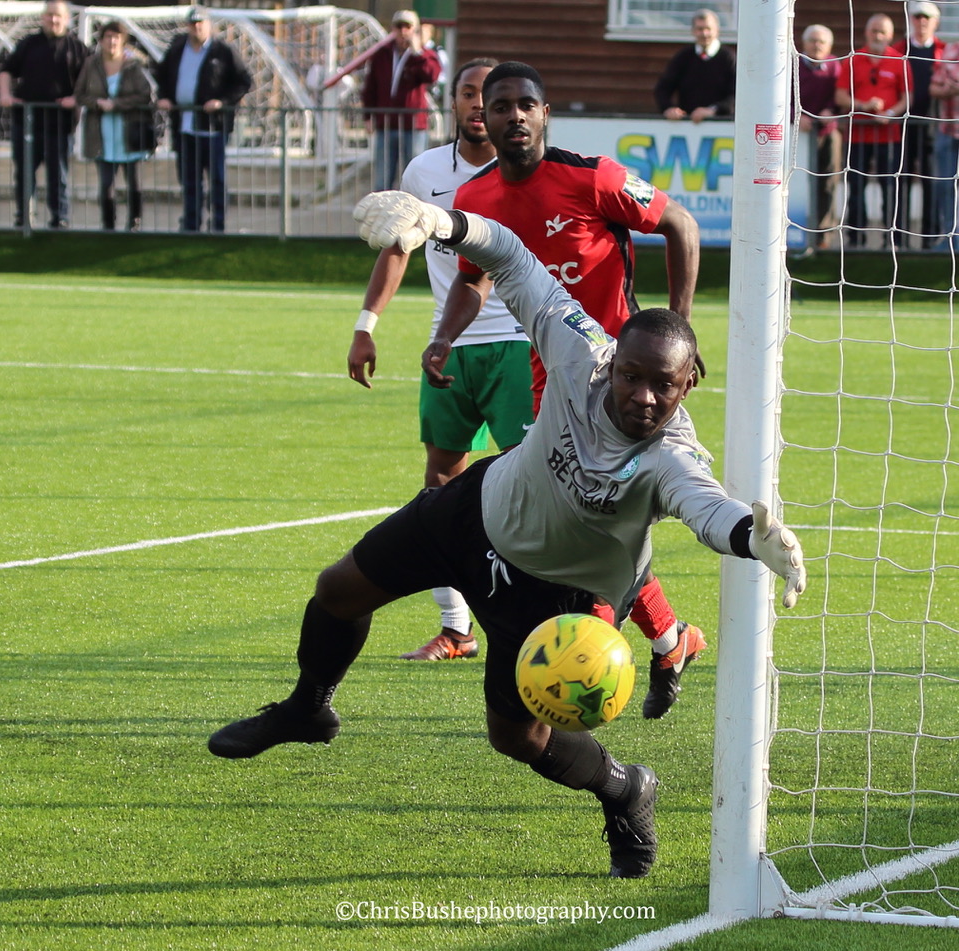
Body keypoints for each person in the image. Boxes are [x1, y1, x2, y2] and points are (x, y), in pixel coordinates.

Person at [208, 189, 807, 881]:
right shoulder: (579, 348)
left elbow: (708, 509)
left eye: (663, 387)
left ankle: (625, 789)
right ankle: (307, 709)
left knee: (517, 737)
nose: (644, 397)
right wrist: (441, 221)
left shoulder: (671, 456)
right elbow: (514, 259)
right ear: (613, 360)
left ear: (687, 386)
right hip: (473, 513)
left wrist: (754, 538)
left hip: (550, 594)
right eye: (632, 376)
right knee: (338, 590)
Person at [417, 62, 704, 719]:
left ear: (545, 114)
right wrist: (443, 337)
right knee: (578, 517)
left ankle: (609, 650)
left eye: (527, 104)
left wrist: (678, 338)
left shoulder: (592, 177)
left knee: (592, 518)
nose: (514, 115)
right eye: (501, 106)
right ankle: (668, 641)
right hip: (550, 381)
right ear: (482, 119)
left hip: (626, 384)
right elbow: (472, 279)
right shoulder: (478, 198)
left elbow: (681, 225)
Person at [349, 57, 527, 663]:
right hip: (448, 349)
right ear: (452, 103)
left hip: (519, 344)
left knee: (533, 486)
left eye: (488, 95)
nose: (478, 105)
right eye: (468, 93)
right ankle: (457, 629)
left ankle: (534, 622)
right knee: (441, 485)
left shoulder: (524, 170)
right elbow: (397, 248)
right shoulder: (424, 171)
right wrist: (366, 326)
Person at [154, 6, 253, 233]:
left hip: (212, 127)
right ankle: (191, 224)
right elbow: (161, 74)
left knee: (216, 179)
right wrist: (164, 97)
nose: (196, 27)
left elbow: (243, 81)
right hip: (184, 126)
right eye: (192, 23)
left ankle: (217, 224)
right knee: (189, 179)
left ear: (208, 24)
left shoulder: (223, 51)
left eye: (200, 23)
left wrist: (222, 102)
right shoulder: (177, 49)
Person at [0, 0, 90, 229]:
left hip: (60, 124)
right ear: (43, 17)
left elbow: (91, 81)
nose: (53, 20)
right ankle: (24, 217)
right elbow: (6, 70)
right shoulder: (28, 44)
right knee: (24, 172)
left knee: (58, 174)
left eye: (58, 15)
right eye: (49, 15)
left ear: (67, 19)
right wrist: (5, 95)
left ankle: (60, 217)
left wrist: (77, 99)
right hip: (26, 122)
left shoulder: (77, 47)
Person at [836, 13, 911, 249]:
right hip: (857, 136)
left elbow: (907, 98)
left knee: (890, 188)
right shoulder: (853, 59)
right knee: (856, 187)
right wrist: (863, 106)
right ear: (866, 33)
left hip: (889, 136)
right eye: (874, 30)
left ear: (890, 35)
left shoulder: (899, 60)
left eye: (882, 31)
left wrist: (889, 113)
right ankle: (856, 240)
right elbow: (840, 96)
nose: (878, 35)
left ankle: (894, 241)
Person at [75, 19, 155, 232]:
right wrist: (98, 103)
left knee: (134, 183)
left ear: (123, 41)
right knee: (106, 185)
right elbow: (80, 94)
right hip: (102, 133)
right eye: (108, 37)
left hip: (129, 131)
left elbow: (144, 95)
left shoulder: (133, 65)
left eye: (116, 37)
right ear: (101, 40)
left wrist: (117, 104)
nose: (112, 41)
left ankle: (134, 223)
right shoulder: (91, 64)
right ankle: (108, 226)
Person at [360, 9, 441, 190]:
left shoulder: (423, 54)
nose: (403, 31)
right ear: (393, 29)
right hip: (386, 124)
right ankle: (383, 208)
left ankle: (413, 208)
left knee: (415, 177)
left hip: (413, 125)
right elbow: (370, 87)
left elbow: (432, 75)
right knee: (382, 179)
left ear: (415, 30)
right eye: (399, 26)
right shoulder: (382, 54)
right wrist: (368, 116)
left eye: (408, 27)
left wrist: (417, 53)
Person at [890, 1, 944, 245]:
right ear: (911, 20)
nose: (922, 21)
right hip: (901, 127)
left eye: (927, 17)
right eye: (917, 16)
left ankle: (929, 238)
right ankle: (898, 238)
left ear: (935, 22)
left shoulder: (945, 51)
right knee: (900, 179)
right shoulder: (898, 51)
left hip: (933, 126)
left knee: (931, 180)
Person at [797, 24, 843, 251]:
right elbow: (781, 97)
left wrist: (831, 110)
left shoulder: (835, 66)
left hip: (827, 132)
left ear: (829, 46)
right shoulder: (792, 65)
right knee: (797, 182)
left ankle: (824, 235)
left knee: (828, 182)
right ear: (804, 43)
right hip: (798, 133)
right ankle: (796, 231)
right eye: (813, 41)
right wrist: (796, 115)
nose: (817, 45)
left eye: (821, 42)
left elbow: (842, 96)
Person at [654, 8, 735, 122]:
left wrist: (713, 110)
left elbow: (736, 95)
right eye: (700, 29)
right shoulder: (683, 57)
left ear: (717, 30)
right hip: (688, 125)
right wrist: (668, 108)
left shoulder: (729, 58)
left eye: (708, 29)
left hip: (722, 124)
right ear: (693, 31)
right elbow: (663, 89)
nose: (704, 34)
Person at [931, 32, 959, 249]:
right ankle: (951, 237)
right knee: (946, 186)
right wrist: (947, 91)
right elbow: (933, 87)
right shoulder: (949, 51)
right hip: (947, 130)